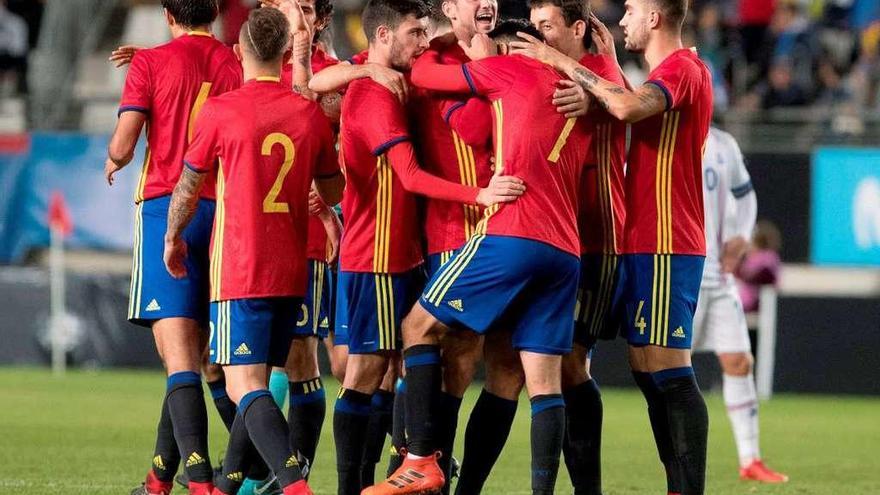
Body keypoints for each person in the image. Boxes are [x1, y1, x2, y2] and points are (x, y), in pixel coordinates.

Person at [368, 19, 589, 495]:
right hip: (566, 251)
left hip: (513, 235)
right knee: (541, 382)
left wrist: (455, 45)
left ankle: (422, 461)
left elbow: (427, 76)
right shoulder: (579, 96)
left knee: (416, 328)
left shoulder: (507, 71)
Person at [513, 1, 714, 493]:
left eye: (629, 10)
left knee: (667, 370)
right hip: (642, 239)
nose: (621, 20)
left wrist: (563, 62)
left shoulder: (684, 67)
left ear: (654, 17)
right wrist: (598, 83)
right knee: (646, 368)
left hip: (667, 239)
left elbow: (628, 107)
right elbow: (629, 104)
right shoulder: (666, 74)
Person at [329, 1, 525, 494]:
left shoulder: (413, 70)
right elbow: (424, 165)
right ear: (450, 9)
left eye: (421, 33)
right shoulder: (414, 71)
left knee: (431, 364)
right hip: (387, 250)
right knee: (372, 367)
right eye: (413, 33)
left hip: (417, 248)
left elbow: (321, 81)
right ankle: (371, 478)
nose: (418, 41)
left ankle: (419, 469)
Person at [162, 7, 344, 495]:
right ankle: (227, 487)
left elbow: (187, 184)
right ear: (286, 51)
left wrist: (172, 236)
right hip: (291, 270)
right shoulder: (306, 111)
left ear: (239, 50)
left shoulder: (222, 110)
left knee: (244, 387)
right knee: (260, 379)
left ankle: (293, 485)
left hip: (240, 268)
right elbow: (333, 187)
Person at [453, 2, 627, 494]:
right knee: (506, 367)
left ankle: (586, 489)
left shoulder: (597, 71)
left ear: (580, 28)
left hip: (595, 238)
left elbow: (624, 104)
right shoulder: (536, 74)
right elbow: (472, 129)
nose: (539, 40)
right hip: (544, 233)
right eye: (536, 29)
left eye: (546, 28)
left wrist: (589, 88)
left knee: (568, 365)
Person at [106, 1, 241, 494]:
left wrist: (113, 157)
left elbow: (124, 145)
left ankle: (204, 482)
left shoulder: (151, 63)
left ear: (168, 13)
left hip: (169, 206)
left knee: (179, 354)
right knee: (205, 357)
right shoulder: (237, 60)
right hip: (223, 210)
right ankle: (160, 479)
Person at [693, 126, 789, 484]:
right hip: (679, 273)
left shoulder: (723, 143)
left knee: (738, 360)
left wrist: (743, 236)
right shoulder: (662, 131)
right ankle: (676, 458)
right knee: (669, 371)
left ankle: (750, 460)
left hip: (719, 276)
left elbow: (745, 195)